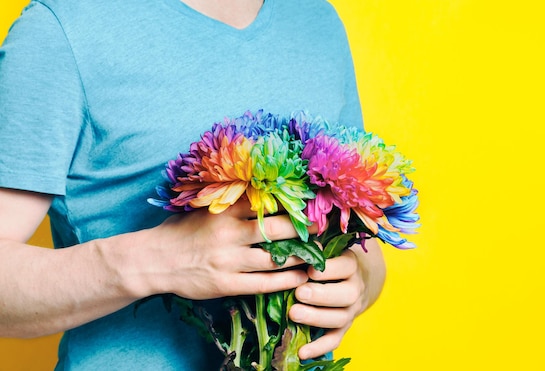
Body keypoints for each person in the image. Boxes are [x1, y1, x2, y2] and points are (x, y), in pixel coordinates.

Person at [0, 0, 387, 369]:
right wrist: (159, 258)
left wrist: (356, 286)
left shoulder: (318, 23)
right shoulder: (59, 29)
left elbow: (366, 248)